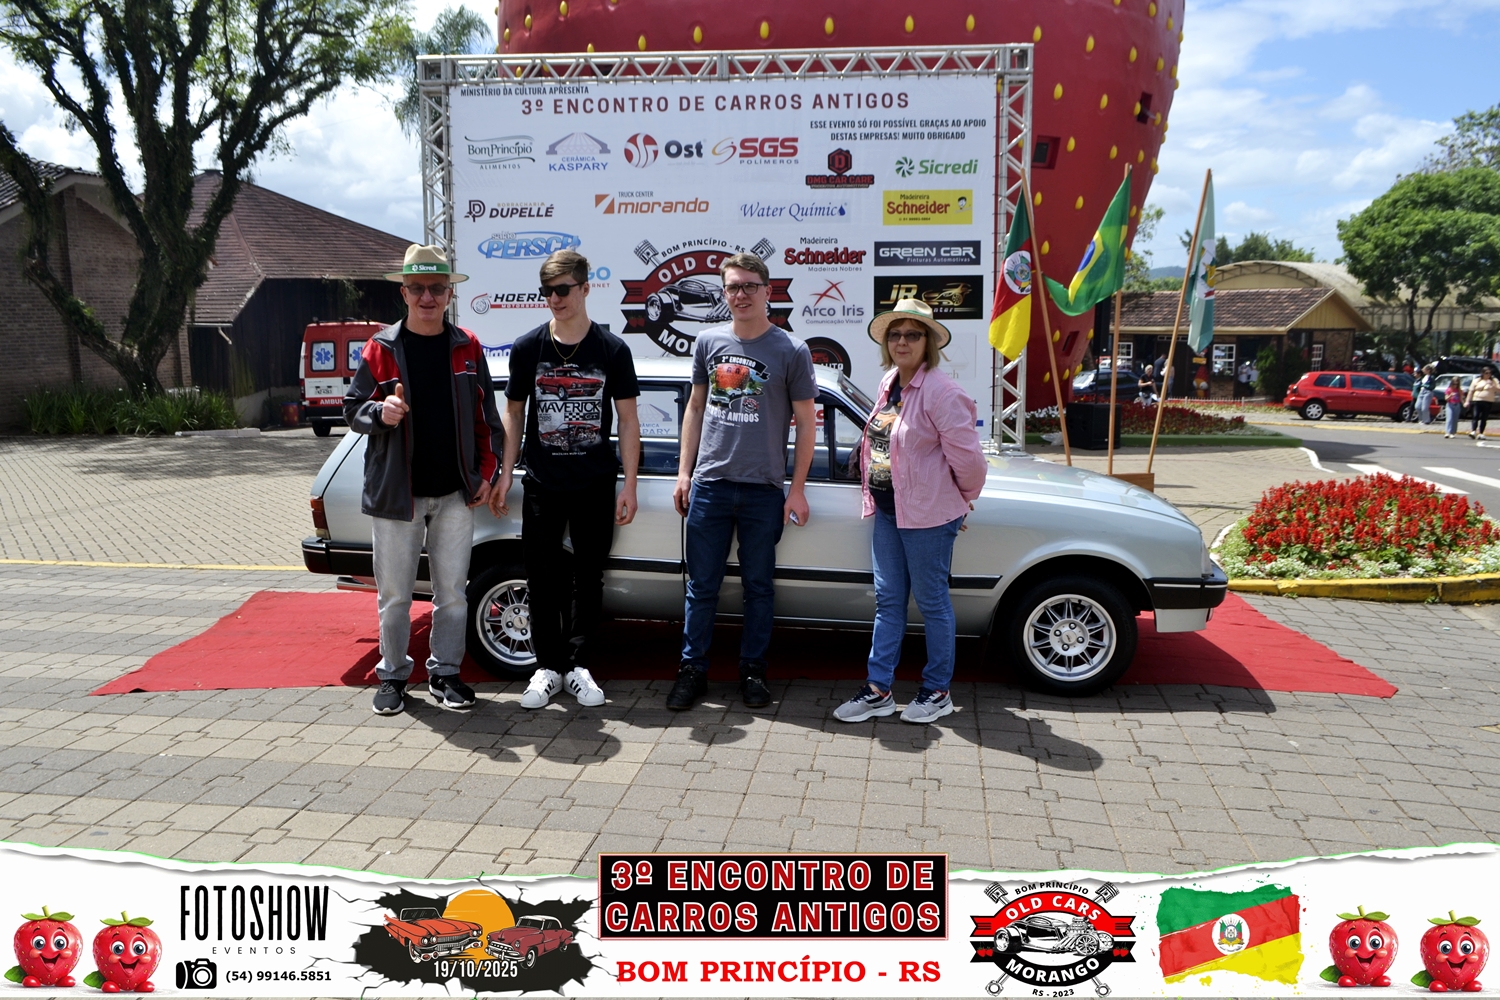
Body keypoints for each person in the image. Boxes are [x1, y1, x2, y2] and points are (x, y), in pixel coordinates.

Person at [345, 244, 503, 715]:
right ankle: (393, 676)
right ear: (404, 293)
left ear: (449, 293)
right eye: (417, 288)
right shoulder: (380, 347)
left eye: (436, 288)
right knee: (394, 597)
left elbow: (487, 421)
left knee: (452, 594)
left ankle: (445, 674)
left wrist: (486, 474)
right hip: (399, 496)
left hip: (455, 494)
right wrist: (381, 411)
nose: (427, 297)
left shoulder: (468, 345)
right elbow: (353, 410)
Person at [667, 253, 818, 711]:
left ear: (767, 291)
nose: (741, 294)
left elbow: (806, 424)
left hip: (763, 490)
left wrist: (796, 488)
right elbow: (695, 408)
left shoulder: (791, 350)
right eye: (733, 286)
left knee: (759, 587)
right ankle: (692, 671)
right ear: (724, 293)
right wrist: (684, 472)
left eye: (750, 285)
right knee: (701, 587)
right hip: (710, 485)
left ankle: (753, 671)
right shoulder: (707, 341)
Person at [491, 250, 640, 710]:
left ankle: (577, 666)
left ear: (585, 288)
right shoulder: (527, 348)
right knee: (541, 578)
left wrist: (630, 485)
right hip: (542, 482)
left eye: (562, 290)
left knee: (588, 578)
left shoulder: (612, 350)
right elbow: (513, 414)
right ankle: (547, 668)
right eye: (547, 291)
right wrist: (505, 473)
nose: (554, 299)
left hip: (595, 483)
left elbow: (628, 420)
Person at [834, 300, 987, 725]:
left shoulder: (943, 393)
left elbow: (970, 464)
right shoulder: (890, 382)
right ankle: (878, 690)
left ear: (928, 343)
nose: (902, 341)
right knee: (888, 602)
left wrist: (959, 502)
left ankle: (937, 691)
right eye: (895, 334)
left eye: (912, 334)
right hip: (889, 512)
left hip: (928, 517)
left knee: (932, 603)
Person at [1466, 366, 1499, 442]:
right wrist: (1467, 401)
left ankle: (1481, 433)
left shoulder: (1494, 381)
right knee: (1475, 416)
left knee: (1484, 417)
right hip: (1477, 400)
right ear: (1482, 373)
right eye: (1486, 373)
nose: (1488, 375)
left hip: (1488, 401)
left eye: (1490, 373)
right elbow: (1471, 391)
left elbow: (1498, 389)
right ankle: (1473, 431)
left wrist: (1493, 385)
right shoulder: (1477, 380)